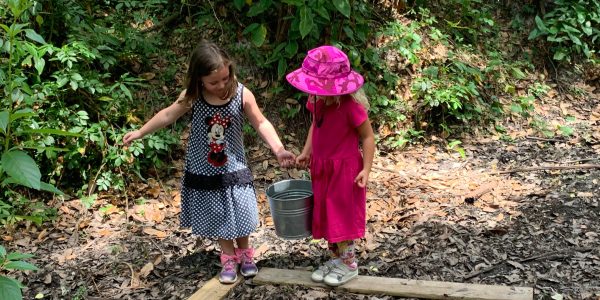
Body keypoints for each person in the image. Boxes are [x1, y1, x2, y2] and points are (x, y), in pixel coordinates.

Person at [123, 40, 295, 284]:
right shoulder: (193, 96)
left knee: (241, 209)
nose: (221, 85)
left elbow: (261, 122)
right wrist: (140, 132)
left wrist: (279, 149)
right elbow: (168, 114)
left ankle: (245, 254)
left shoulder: (242, 94)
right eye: (213, 82)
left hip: (233, 165)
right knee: (216, 213)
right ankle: (228, 256)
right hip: (204, 168)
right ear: (199, 79)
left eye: (225, 78)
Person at [286, 45, 376, 286]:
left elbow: (367, 137)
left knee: (341, 216)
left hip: (345, 171)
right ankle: (336, 259)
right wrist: (307, 152)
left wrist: (366, 169)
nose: (316, 90)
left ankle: (349, 264)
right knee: (326, 214)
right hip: (322, 168)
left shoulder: (349, 107)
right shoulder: (316, 101)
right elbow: (315, 126)